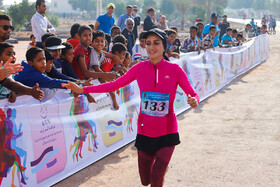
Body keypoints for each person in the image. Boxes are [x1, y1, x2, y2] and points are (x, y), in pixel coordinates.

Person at [62, 28, 199, 187]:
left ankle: (160, 170)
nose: (151, 47)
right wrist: (82, 89)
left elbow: (193, 93)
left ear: (164, 46)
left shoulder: (175, 70)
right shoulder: (139, 68)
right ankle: (160, 170)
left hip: (168, 132)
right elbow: (113, 85)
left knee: (156, 178)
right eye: (148, 43)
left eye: (156, 43)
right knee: (145, 180)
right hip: (145, 131)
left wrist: (193, 99)